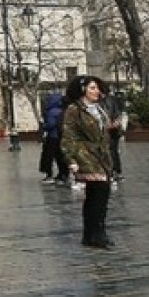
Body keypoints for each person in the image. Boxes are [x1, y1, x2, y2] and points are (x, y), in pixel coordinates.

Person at [61, 75, 115, 249]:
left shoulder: (100, 108)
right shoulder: (74, 109)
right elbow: (68, 136)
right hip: (86, 154)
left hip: (102, 155)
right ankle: (97, 234)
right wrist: (71, 159)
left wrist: (115, 129)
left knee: (97, 195)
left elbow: (104, 132)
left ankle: (92, 233)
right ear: (83, 90)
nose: (96, 91)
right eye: (92, 88)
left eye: (97, 88)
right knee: (99, 191)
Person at [39, 92, 69, 185]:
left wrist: (44, 126)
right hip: (61, 136)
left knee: (48, 157)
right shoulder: (63, 110)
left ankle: (49, 175)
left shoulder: (51, 112)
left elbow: (51, 124)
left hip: (52, 136)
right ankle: (63, 174)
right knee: (60, 157)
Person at [102, 90, 126, 181]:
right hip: (111, 130)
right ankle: (115, 172)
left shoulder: (109, 101)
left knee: (112, 151)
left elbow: (117, 115)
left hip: (112, 131)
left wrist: (113, 124)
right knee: (113, 151)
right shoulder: (112, 100)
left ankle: (113, 172)